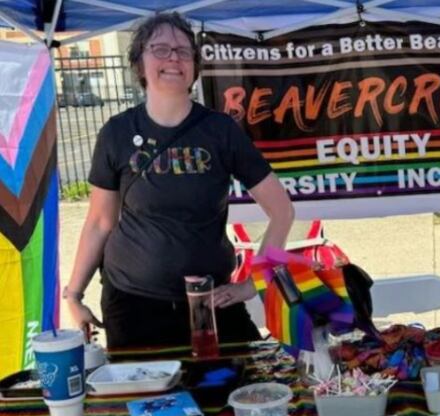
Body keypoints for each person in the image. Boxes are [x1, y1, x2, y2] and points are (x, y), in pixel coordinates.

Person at [63, 12, 294, 348]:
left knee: (235, 391)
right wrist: (74, 295)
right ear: (139, 64)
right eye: (160, 49)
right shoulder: (117, 133)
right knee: (148, 398)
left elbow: (282, 211)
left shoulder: (220, 131)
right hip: (132, 305)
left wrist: (253, 284)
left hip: (209, 303)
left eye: (184, 51)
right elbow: (100, 222)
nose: (173, 58)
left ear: (195, 68)